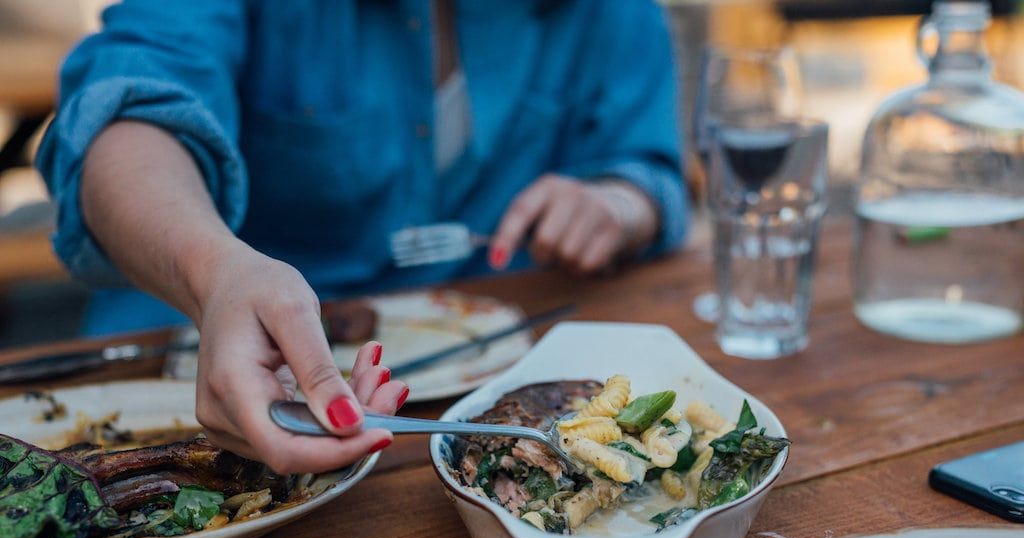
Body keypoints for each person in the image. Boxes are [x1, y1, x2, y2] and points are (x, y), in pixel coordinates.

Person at [36, 0, 687, 474]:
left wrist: (620, 204)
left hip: (495, 402)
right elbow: (125, 117)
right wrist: (215, 272)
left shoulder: (613, 14)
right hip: (198, 386)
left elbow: (655, 171)